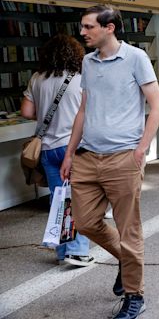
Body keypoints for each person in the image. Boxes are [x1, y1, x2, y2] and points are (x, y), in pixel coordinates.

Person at [60, 5, 159, 319]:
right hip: (87, 157)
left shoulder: (136, 58)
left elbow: (157, 105)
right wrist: (69, 152)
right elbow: (83, 110)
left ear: (109, 28)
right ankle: (125, 259)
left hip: (123, 157)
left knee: (129, 230)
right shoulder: (88, 62)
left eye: (88, 27)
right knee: (86, 222)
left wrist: (141, 149)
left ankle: (135, 296)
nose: (83, 32)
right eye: (82, 26)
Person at [21, 34, 94, 267]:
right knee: (78, 199)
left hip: (47, 148)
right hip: (72, 147)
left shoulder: (37, 78)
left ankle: (62, 251)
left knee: (59, 199)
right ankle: (77, 250)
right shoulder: (81, 78)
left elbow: (26, 112)